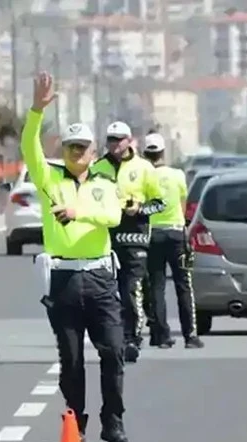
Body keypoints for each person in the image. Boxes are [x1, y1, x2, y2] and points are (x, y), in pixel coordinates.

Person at [23, 72, 129, 442]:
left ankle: (113, 420)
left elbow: (113, 217)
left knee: (113, 351)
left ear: (93, 153)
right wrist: (36, 110)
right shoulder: (49, 179)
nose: (76, 153)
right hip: (64, 280)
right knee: (70, 359)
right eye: (70, 147)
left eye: (82, 147)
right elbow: (29, 147)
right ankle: (75, 422)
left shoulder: (104, 185)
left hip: (100, 278)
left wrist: (77, 212)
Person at [91, 120, 166, 364]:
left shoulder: (144, 168)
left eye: (119, 139)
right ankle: (112, 339)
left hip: (135, 240)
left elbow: (160, 203)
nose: (114, 144)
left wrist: (140, 209)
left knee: (131, 290)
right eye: (111, 139)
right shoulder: (97, 168)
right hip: (105, 240)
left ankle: (132, 339)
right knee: (106, 294)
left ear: (129, 140)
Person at [142, 132, 203, 349]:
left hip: (152, 235)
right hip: (176, 234)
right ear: (163, 152)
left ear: (145, 153)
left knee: (156, 286)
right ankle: (190, 335)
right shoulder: (177, 175)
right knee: (183, 284)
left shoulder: (144, 176)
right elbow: (183, 203)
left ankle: (161, 335)